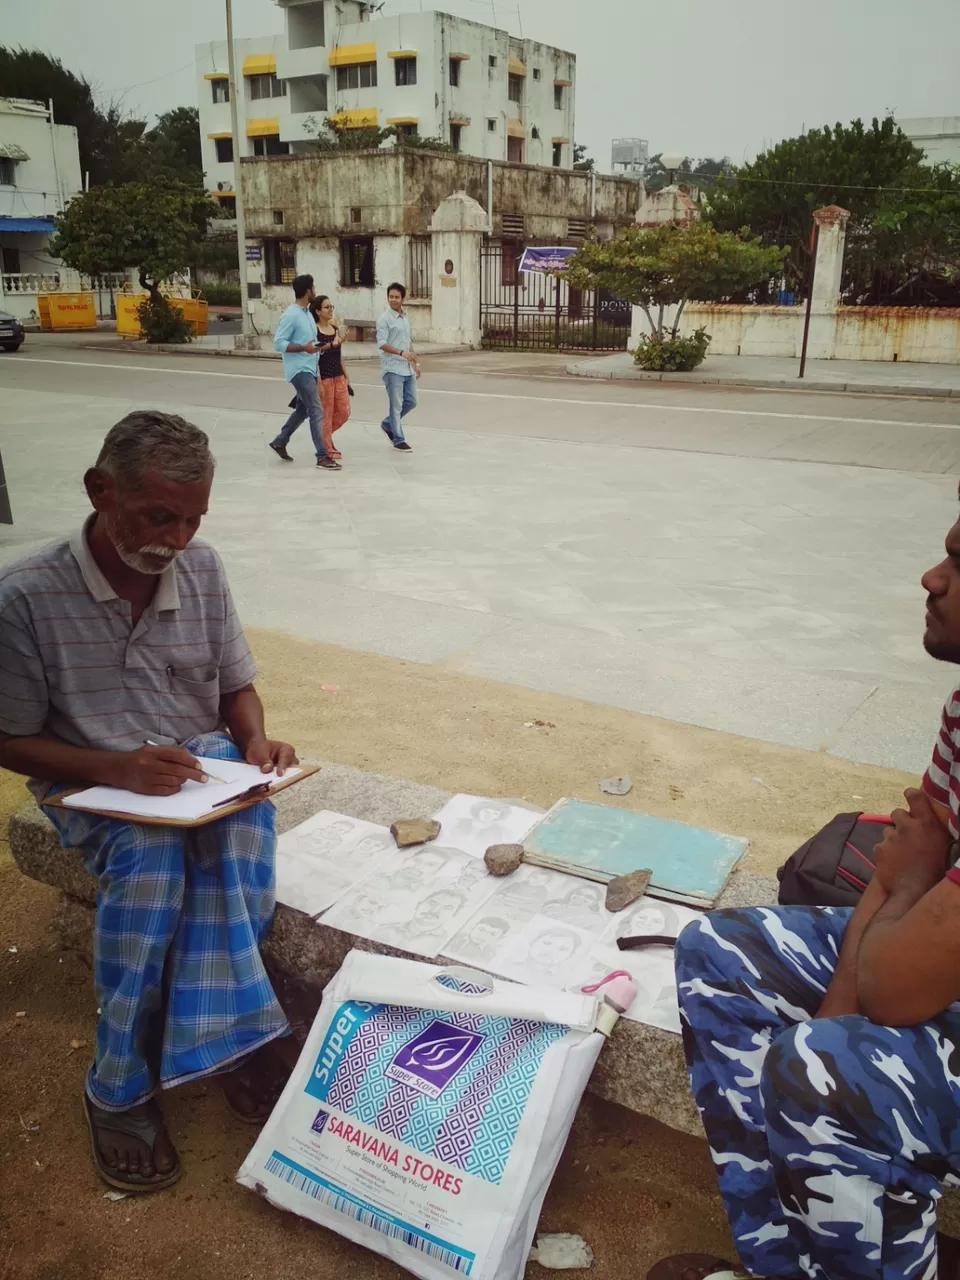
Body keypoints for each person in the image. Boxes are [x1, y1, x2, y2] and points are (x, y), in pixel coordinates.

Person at [651, 503, 960, 1280]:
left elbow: (898, 965)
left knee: (825, 1069)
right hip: (931, 958)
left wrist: (909, 879)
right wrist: (838, 999)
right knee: (719, 952)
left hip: (926, 972)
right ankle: (783, 1267)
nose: (931, 579)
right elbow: (898, 877)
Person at [0, 412, 299, 1193]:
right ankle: (119, 1080)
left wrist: (257, 745)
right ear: (101, 490)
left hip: (200, 774)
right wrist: (118, 768)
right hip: (90, 784)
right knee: (153, 857)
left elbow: (237, 687)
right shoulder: (24, 597)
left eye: (193, 517)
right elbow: (6, 740)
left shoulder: (202, 568)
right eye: (158, 514)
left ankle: (224, 1039)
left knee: (238, 836)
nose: (175, 537)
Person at [268, 274, 340, 471]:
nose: (315, 290)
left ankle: (280, 441)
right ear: (308, 291)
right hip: (299, 370)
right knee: (317, 410)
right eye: (313, 287)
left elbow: (311, 345)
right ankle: (322, 456)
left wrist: (326, 346)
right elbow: (279, 343)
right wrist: (303, 349)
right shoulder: (291, 315)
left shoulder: (307, 314)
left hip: (310, 367)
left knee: (303, 410)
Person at [376, 281, 419, 453]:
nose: (393, 300)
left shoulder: (405, 317)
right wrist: (401, 353)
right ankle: (398, 439)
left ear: (403, 299)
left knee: (412, 401)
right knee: (396, 405)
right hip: (392, 368)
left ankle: (388, 424)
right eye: (390, 297)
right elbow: (382, 343)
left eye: (396, 297)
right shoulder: (384, 319)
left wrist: (416, 363)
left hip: (407, 368)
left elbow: (408, 342)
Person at [311, 295, 352, 461]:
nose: (330, 310)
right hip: (325, 377)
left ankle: (323, 436)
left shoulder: (335, 329)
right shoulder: (314, 331)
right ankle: (327, 444)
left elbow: (338, 355)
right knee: (326, 413)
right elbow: (314, 356)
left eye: (331, 307)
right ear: (318, 311)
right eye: (327, 307)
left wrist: (346, 374)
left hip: (338, 376)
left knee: (344, 412)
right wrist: (318, 381)